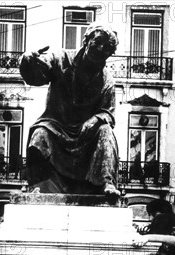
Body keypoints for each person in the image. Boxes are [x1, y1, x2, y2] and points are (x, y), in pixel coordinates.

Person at [19, 23, 120, 196]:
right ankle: (39, 185)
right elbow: (38, 75)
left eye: (108, 48)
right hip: (56, 125)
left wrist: (95, 120)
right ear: (86, 40)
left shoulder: (107, 80)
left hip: (86, 133)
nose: (102, 48)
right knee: (39, 134)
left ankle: (106, 183)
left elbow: (108, 113)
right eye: (98, 41)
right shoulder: (61, 58)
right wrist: (28, 61)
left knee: (106, 132)